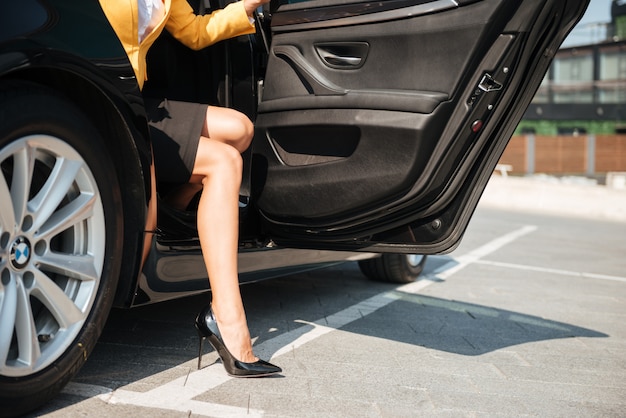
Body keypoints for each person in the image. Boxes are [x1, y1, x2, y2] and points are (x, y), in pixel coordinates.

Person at [98, 0, 280, 377]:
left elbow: (193, 32)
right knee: (224, 163)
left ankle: (172, 204)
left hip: (144, 102)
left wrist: (247, 6)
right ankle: (227, 317)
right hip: (106, 92)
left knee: (240, 129)